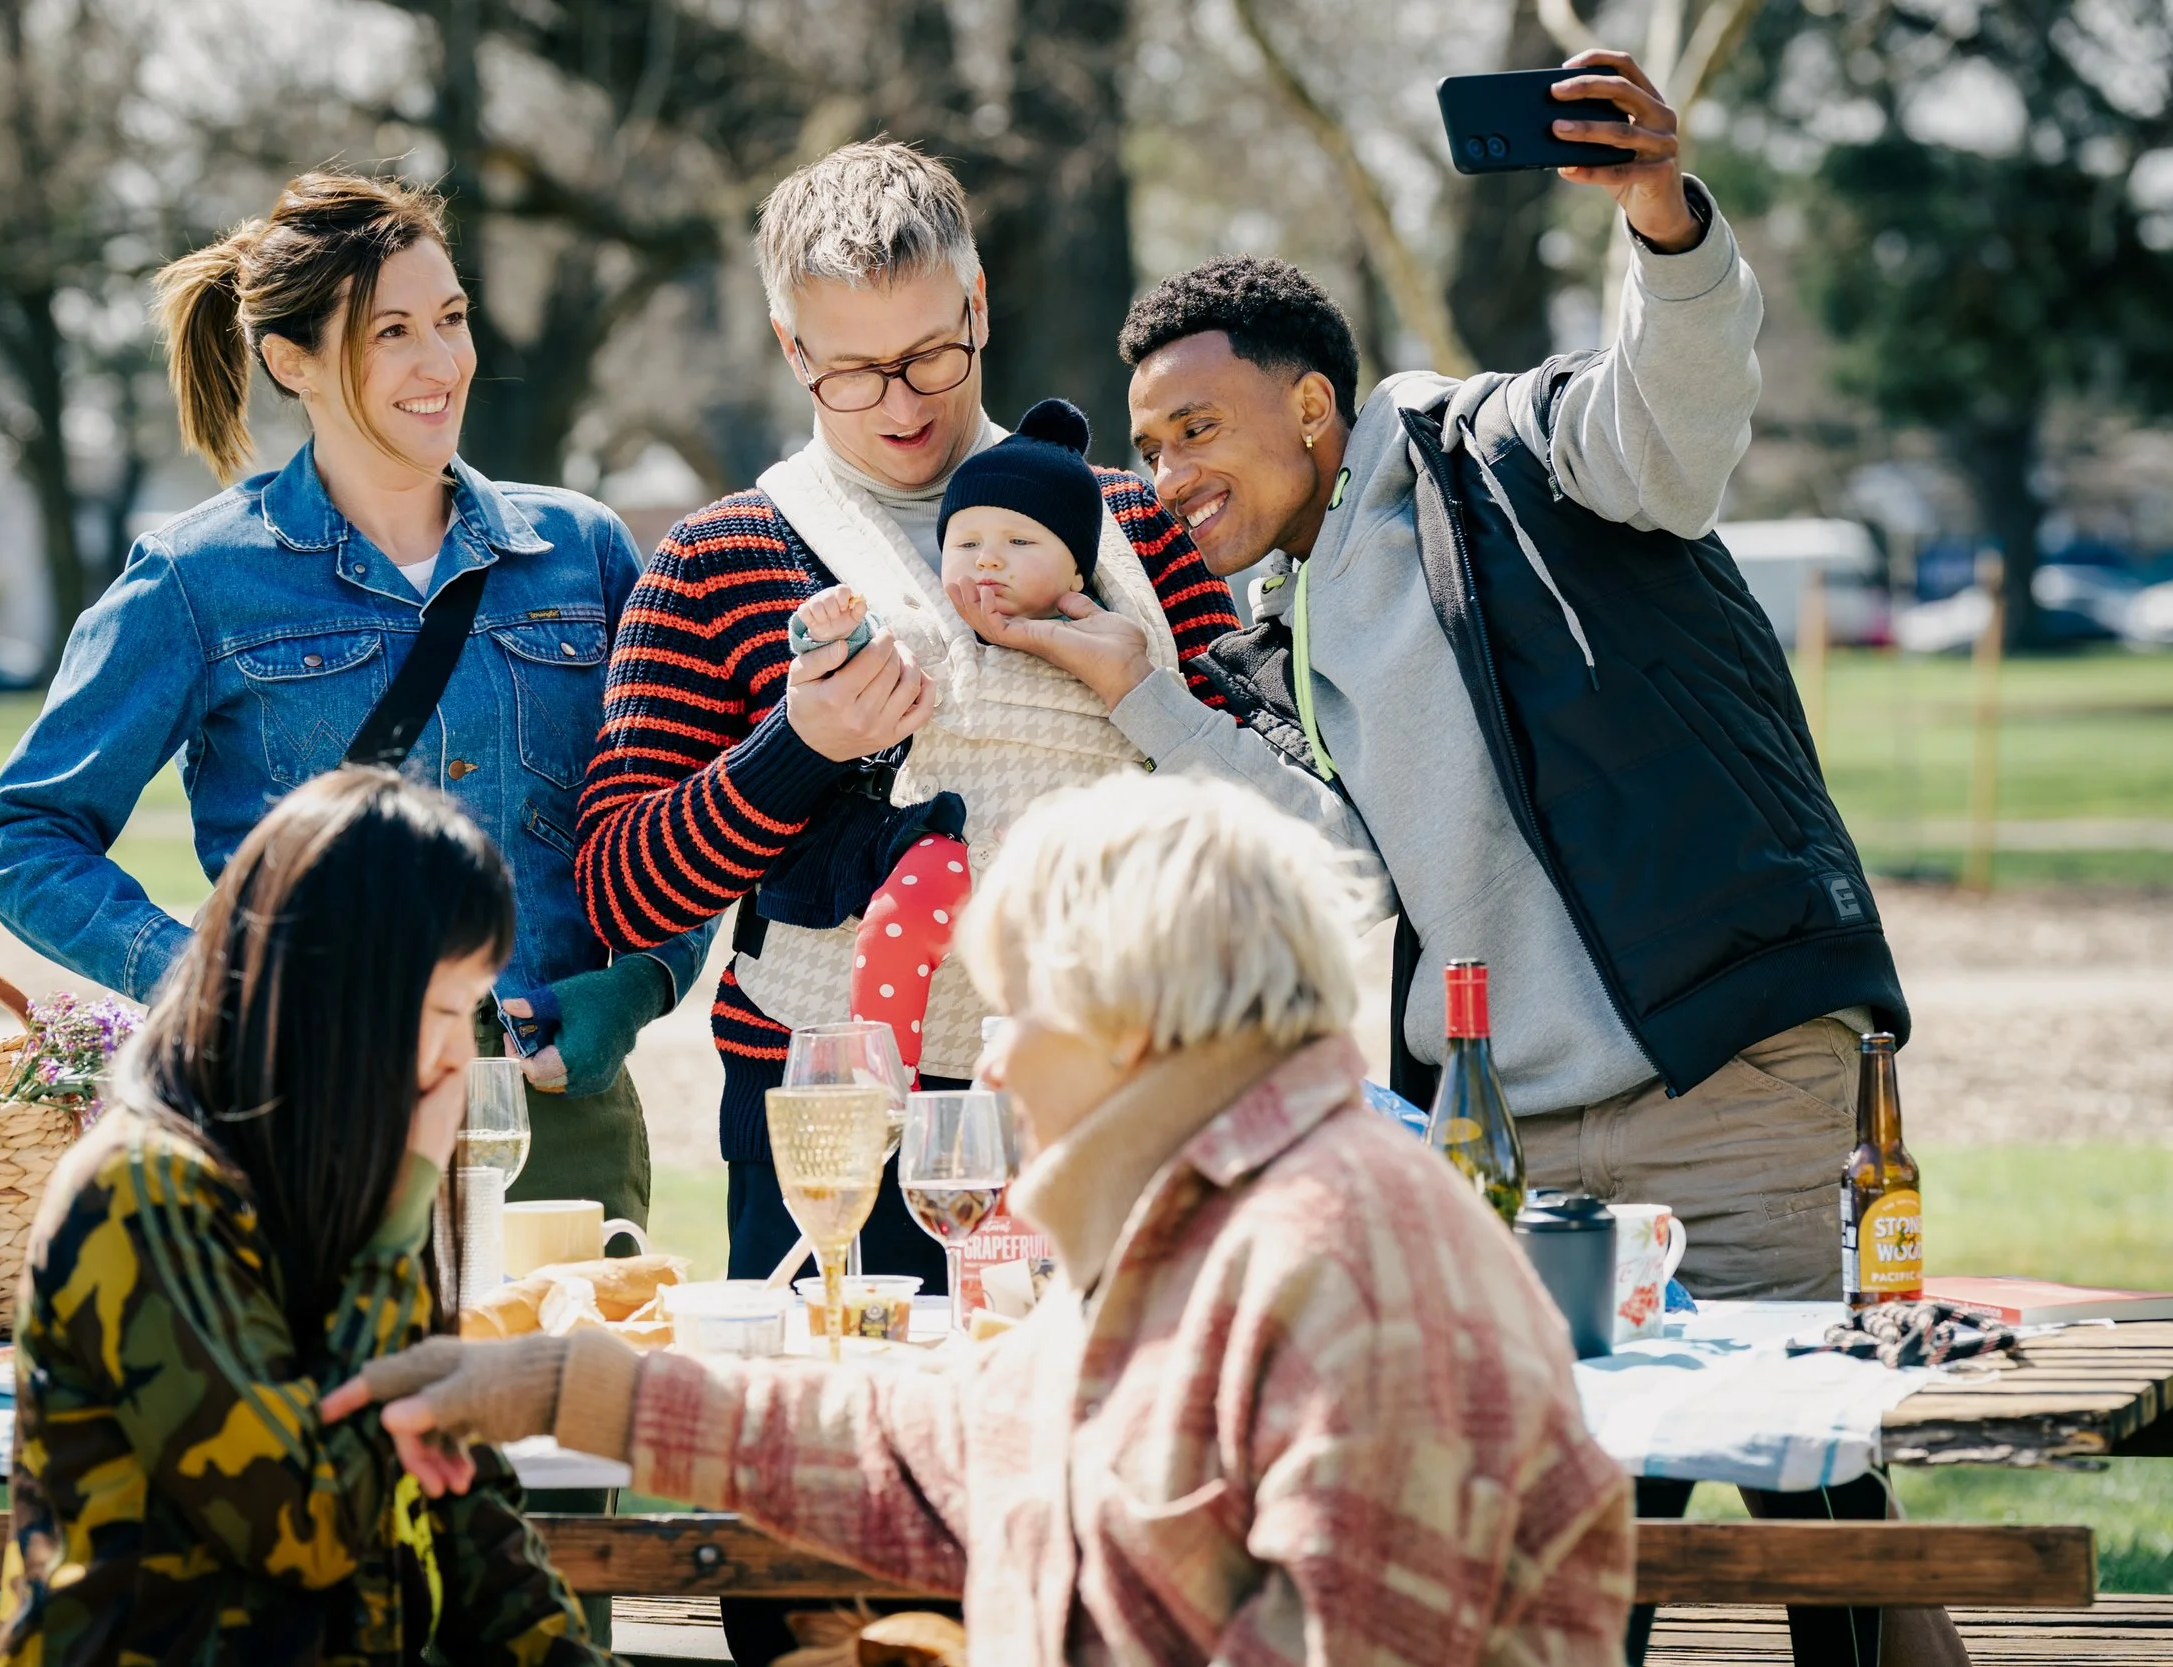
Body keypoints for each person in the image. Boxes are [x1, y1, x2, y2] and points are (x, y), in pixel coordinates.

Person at [968, 50, 1955, 1667]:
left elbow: (1667, 429)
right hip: (1526, 1135)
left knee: (1816, 1492)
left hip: (1721, 1067)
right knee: (1574, 1529)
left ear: (1309, 403)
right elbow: (1342, 854)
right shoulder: (1286, 626)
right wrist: (1126, 681)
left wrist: (1662, 221)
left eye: (1196, 427)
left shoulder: (1493, 453)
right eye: (1147, 446)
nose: (1168, 477)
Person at [328, 773, 1634, 1667]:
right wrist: (560, 1381)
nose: (990, 1061)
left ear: (1127, 1014)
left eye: (1012, 1007)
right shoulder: (1196, 1223)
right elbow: (933, 1443)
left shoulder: (1347, 1262)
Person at [0, 171, 707, 1233]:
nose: (439, 362)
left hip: (555, 1120)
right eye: (391, 332)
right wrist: (217, 988)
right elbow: (20, 834)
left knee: (558, 1397)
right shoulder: (195, 578)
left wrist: (638, 985)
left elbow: (684, 818)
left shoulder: (580, 550)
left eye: (450, 319)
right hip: (310, 1116)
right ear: (291, 360)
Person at [570, 139, 1240, 1295]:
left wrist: (1148, 697)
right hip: (831, 1139)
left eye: (932, 354)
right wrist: (795, 751)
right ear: (792, 350)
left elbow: (1265, 814)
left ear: (979, 304)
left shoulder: (1141, 523)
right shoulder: (717, 558)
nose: (901, 405)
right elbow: (623, 888)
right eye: (853, 371)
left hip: (1122, 1106)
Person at [0, 767, 607, 1667]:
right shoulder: (142, 1193)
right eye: (439, 1012)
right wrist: (398, 1216)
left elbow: (469, 1514)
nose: (455, 1059)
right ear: (333, 994)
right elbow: (308, 1526)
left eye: (468, 1013)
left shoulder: (343, 1173)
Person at [773, 396, 1118, 1077]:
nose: (988, 561)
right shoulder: (921, 627)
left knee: (1063, 976)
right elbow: (851, 655)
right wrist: (824, 626)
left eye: (1020, 544)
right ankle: (880, 1068)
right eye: (966, 544)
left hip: (1063, 853)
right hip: (950, 840)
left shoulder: (1104, 634)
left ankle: (1038, 1099)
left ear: (1077, 572)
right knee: (898, 916)